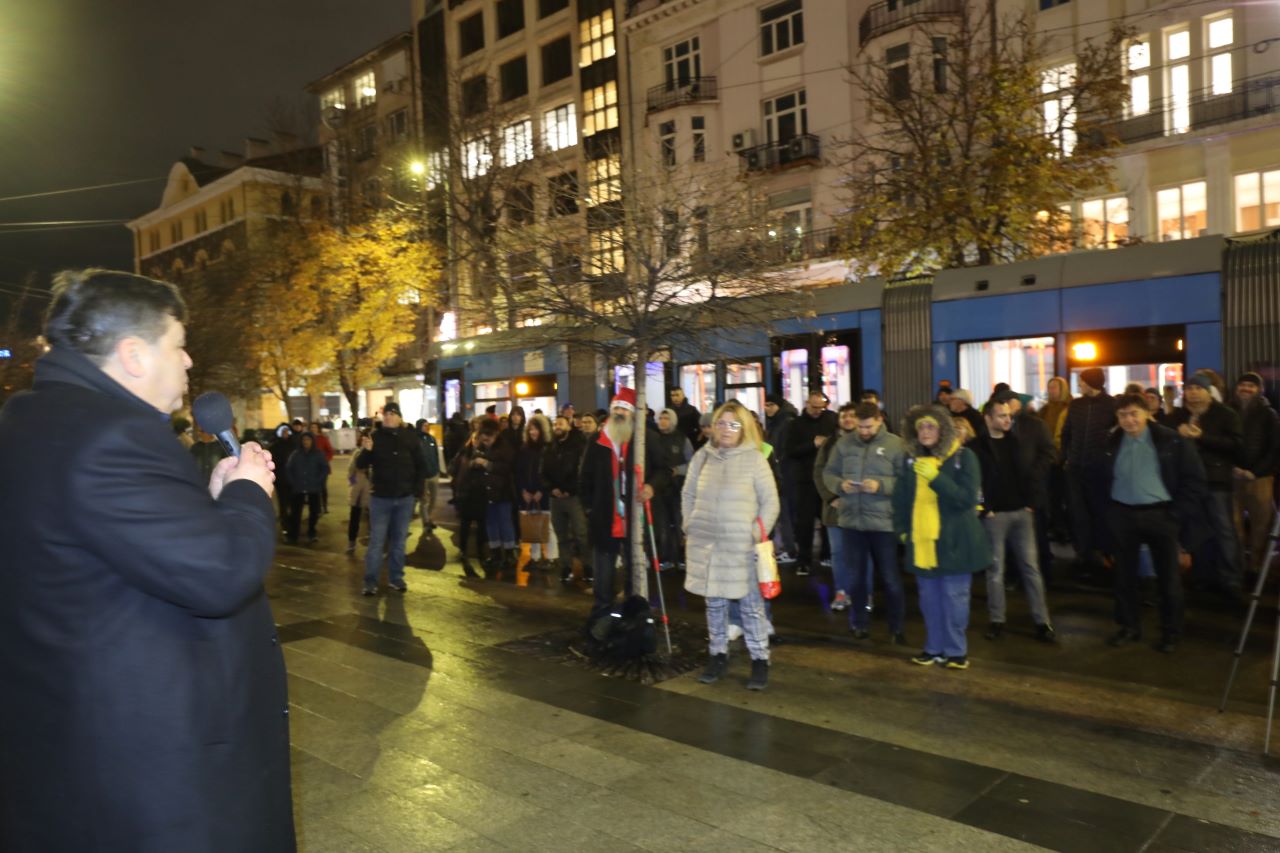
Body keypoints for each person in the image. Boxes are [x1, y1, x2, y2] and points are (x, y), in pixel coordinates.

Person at [0, 269, 293, 851]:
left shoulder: (31, 419)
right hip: (149, 766)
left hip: (70, 747)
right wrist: (248, 493)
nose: (187, 363)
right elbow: (222, 575)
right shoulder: (111, 435)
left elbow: (114, 544)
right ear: (134, 354)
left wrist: (206, 504)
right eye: (177, 345)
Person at [683, 400, 780, 691]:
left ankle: (760, 659)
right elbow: (687, 494)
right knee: (714, 605)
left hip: (741, 548)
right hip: (707, 546)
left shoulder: (754, 459)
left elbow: (771, 502)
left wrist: (755, 532)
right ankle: (717, 655)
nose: (726, 429)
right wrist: (690, 524)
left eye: (733, 424)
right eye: (721, 423)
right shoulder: (703, 457)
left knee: (751, 607)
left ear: (744, 428)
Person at [1104, 394, 1207, 653]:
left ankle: (1171, 632)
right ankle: (1129, 627)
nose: (1128, 420)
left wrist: (1175, 515)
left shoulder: (1171, 440)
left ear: (1147, 413)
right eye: (1122, 415)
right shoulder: (1111, 441)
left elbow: (1194, 481)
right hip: (1123, 516)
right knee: (1123, 577)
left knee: (1168, 579)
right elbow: (1100, 480)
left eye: (1133, 414)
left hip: (1161, 516)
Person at [893, 405, 991, 670]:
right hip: (923, 542)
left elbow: (966, 499)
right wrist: (902, 530)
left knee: (954, 598)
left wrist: (936, 478)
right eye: (921, 427)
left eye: (931, 426)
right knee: (929, 600)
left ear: (943, 430)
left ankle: (956, 651)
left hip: (955, 541)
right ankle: (933, 648)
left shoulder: (963, 457)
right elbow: (900, 500)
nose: (925, 432)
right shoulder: (910, 460)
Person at [823, 401, 908, 643]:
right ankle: (858, 623)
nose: (863, 432)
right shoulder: (844, 444)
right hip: (852, 522)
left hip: (884, 525)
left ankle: (896, 628)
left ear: (879, 420)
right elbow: (828, 473)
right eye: (860, 427)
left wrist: (881, 486)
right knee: (856, 578)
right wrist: (840, 485)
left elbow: (906, 480)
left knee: (891, 578)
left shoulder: (895, 444)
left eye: (868, 427)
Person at [972, 399, 1055, 642]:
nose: (1007, 420)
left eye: (1008, 416)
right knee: (995, 570)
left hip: (1022, 512)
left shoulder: (1017, 443)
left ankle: (1043, 622)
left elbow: (1033, 471)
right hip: (995, 515)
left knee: (1031, 569)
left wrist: (1031, 501)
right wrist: (984, 508)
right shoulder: (977, 447)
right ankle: (997, 620)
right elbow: (974, 480)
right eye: (1001, 416)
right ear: (988, 419)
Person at [1169, 373, 1245, 598]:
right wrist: (1177, 434)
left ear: (1208, 392)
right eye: (1189, 389)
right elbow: (1166, 441)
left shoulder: (1225, 414)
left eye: (1198, 389)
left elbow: (1237, 445)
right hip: (1189, 484)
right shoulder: (1178, 416)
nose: (1193, 393)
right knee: (1197, 532)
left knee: (1224, 531)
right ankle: (1203, 576)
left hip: (1217, 481)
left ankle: (1231, 580)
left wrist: (1202, 436)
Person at [580, 388, 653, 618]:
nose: (620, 412)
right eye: (617, 408)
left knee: (634, 569)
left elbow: (663, 469)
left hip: (633, 515)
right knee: (603, 571)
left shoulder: (643, 439)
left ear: (632, 413)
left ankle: (632, 614)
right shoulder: (598, 441)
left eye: (625, 408)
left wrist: (652, 486)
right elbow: (585, 476)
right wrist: (590, 507)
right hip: (605, 516)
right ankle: (602, 615)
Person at [357, 401, 426, 595]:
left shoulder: (410, 438)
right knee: (377, 542)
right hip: (381, 498)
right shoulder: (375, 437)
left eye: (393, 414)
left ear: (399, 417)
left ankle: (396, 578)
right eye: (386, 414)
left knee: (399, 541)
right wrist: (367, 450)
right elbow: (361, 464)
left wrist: (417, 490)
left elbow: (421, 465)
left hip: (404, 498)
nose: (389, 417)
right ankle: (370, 581)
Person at [1061, 367, 1115, 578]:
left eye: (1082, 381)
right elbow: (1067, 432)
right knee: (1078, 513)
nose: (1079, 385)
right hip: (1075, 468)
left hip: (1099, 468)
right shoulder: (1076, 405)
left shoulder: (1111, 404)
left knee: (1099, 512)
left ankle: (1103, 554)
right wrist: (1065, 457)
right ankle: (1084, 555)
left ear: (1092, 382)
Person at [1231, 372, 1280, 574]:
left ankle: (1256, 566)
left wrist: (1256, 472)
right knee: (1234, 525)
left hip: (1261, 479)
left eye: (1251, 386)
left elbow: (1275, 448)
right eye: (1242, 384)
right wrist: (1232, 468)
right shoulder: (1229, 410)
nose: (1246, 389)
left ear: (1260, 390)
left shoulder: (1269, 414)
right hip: (1233, 477)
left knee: (1261, 525)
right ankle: (1239, 566)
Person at [786, 391, 838, 575]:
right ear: (807, 403)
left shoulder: (832, 420)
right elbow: (789, 450)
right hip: (805, 479)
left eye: (821, 407)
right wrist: (812, 444)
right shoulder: (796, 425)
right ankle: (804, 559)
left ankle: (827, 554)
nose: (817, 411)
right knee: (804, 523)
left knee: (827, 519)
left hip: (827, 478)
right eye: (814, 407)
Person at [543, 414, 590, 583]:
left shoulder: (578, 445)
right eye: (555, 424)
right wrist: (552, 488)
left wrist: (569, 489)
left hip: (573, 496)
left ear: (569, 426)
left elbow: (581, 471)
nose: (557, 426)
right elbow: (543, 471)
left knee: (581, 533)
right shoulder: (550, 447)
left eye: (561, 423)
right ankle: (566, 566)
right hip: (555, 498)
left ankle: (588, 565)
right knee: (561, 534)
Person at [471, 419, 518, 572]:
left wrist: (487, 464)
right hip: (486, 492)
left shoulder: (504, 446)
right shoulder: (481, 447)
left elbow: (508, 467)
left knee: (505, 522)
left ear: (496, 434)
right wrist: (474, 463)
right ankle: (496, 552)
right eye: (484, 435)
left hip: (502, 491)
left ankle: (510, 554)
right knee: (491, 523)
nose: (486, 439)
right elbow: (470, 462)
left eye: (489, 436)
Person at [651, 408, 694, 569]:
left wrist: (677, 470)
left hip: (678, 489)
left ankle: (683, 557)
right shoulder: (654, 438)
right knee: (662, 525)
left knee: (679, 524)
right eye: (660, 418)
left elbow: (692, 463)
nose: (662, 421)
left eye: (666, 418)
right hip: (659, 490)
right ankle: (665, 557)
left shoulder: (682, 439)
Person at [764, 393, 798, 562]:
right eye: (766, 405)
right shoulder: (777, 422)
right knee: (781, 513)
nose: (767, 408)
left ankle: (788, 549)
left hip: (782, 474)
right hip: (779, 473)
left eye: (771, 405)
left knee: (783, 514)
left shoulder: (784, 423)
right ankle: (785, 547)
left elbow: (780, 450)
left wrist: (778, 472)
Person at [516, 414, 553, 570]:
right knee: (532, 525)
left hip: (542, 493)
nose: (533, 432)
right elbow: (520, 471)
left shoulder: (548, 448)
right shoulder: (525, 449)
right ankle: (535, 557)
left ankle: (551, 557)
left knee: (547, 525)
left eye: (536, 428)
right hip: (528, 493)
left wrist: (542, 490)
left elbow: (549, 472)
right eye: (530, 429)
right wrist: (523, 490)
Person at [286, 431, 329, 544]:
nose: (306, 442)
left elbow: (325, 468)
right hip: (298, 488)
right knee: (295, 513)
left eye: (308, 439)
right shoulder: (295, 454)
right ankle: (293, 535)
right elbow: (289, 468)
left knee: (314, 512)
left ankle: (311, 532)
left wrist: (319, 481)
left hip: (313, 488)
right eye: (304, 440)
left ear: (312, 441)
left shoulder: (318, 454)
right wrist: (293, 482)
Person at [347, 429, 372, 554]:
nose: (365, 441)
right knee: (355, 517)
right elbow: (350, 470)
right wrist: (353, 483)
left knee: (373, 519)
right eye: (363, 439)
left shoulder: (374, 453)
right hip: (358, 490)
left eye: (367, 439)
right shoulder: (357, 453)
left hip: (371, 490)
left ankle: (374, 544)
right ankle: (351, 542)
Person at [415, 418, 442, 532]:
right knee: (423, 501)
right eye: (424, 425)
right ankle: (426, 523)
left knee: (434, 499)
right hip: (422, 476)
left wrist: (437, 469)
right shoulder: (415, 440)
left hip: (433, 474)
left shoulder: (432, 439)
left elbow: (436, 455)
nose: (427, 427)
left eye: (428, 425)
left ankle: (429, 518)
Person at [308, 421, 335, 513]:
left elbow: (330, 451)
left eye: (315, 427)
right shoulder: (307, 439)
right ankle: (317, 507)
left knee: (323, 487)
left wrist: (324, 460)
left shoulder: (323, 439)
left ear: (318, 428)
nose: (313, 429)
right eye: (311, 427)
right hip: (310, 468)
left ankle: (324, 506)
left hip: (322, 468)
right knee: (313, 488)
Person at [190, 419, 224, 484]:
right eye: (199, 431)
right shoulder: (195, 448)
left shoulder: (220, 447)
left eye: (202, 431)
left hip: (216, 484)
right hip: (199, 485)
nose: (199, 433)